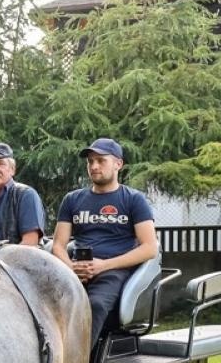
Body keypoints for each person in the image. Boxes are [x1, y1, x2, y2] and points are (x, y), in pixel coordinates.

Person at [51, 137, 158, 349]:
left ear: (118, 164)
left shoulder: (133, 200)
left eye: (101, 160)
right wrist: (71, 267)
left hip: (113, 270)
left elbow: (149, 247)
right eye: (90, 161)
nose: (94, 166)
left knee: (95, 305)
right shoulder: (72, 199)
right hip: (75, 268)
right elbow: (58, 245)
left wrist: (103, 265)